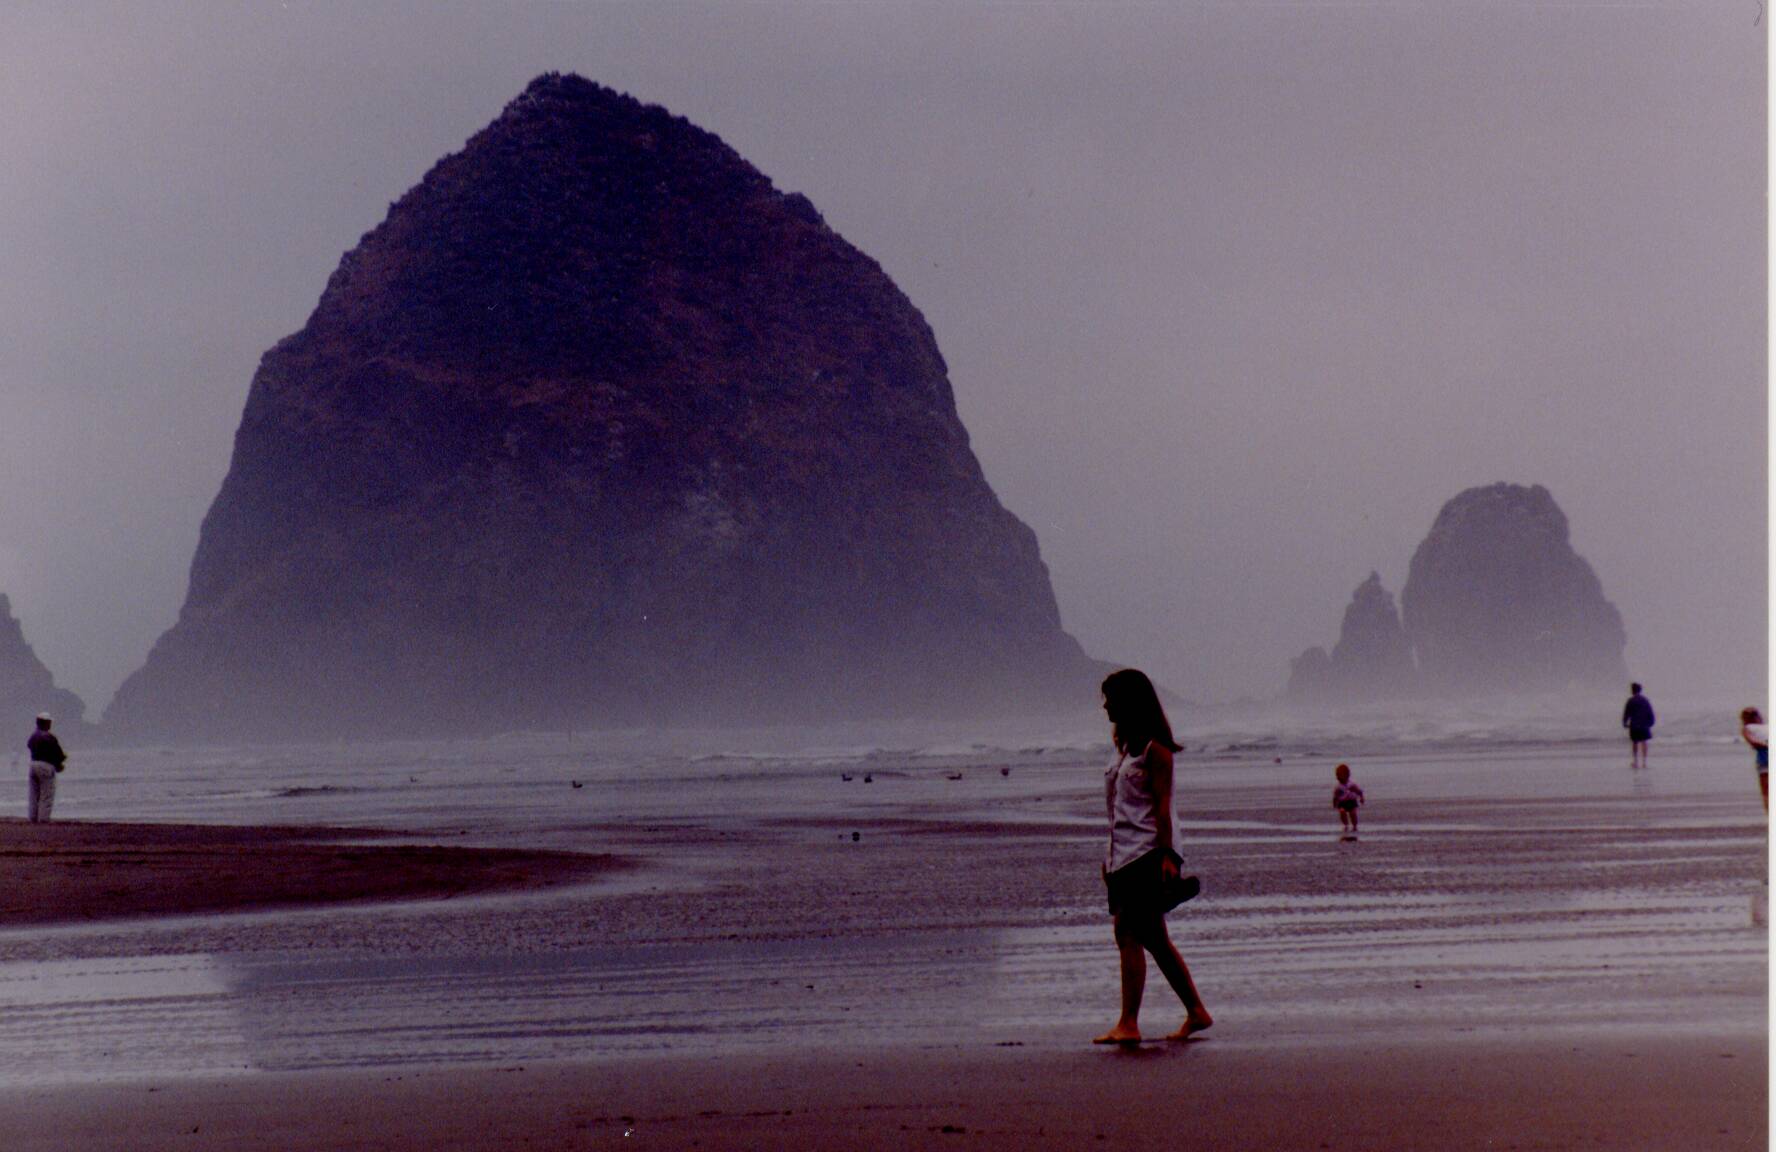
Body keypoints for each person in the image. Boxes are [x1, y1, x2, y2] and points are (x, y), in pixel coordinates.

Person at [1093, 668, 1212, 1046]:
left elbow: (1163, 807)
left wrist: (1169, 857)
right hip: (1123, 855)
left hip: (1147, 853)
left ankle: (1129, 1022)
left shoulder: (1154, 751)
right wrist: (1110, 858)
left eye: (1111, 698)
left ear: (1130, 702)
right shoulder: (1123, 749)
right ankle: (1195, 1011)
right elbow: (1118, 811)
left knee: (1130, 932)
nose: (1105, 705)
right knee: (1150, 937)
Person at [25, 712, 67, 823]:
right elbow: (59, 755)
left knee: (34, 794)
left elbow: (29, 746)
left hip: (33, 764)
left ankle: (33, 817)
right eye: (49, 722)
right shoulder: (49, 737)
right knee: (46, 794)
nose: (50, 724)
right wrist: (59, 764)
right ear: (46, 723)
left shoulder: (33, 736)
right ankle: (43, 819)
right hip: (46, 766)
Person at [1739, 707, 1767, 812]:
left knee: (1766, 792)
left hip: (1765, 759)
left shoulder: (1747, 728)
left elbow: (1753, 742)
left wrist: (1766, 745)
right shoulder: (1768, 727)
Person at [1622, 683, 1655, 769]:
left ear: (1632, 690)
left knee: (1635, 742)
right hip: (1644, 724)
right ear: (1640, 690)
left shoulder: (1631, 701)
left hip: (1634, 725)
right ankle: (1644, 762)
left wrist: (1624, 722)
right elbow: (1650, 712)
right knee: (1644, 742)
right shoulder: (1645, 700)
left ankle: (1636, 761)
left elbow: (1627, 713)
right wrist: (1651, 722)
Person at [1333, 763, 1365, 838]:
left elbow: (1359, 791)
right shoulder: (1338, 787)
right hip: (1342, 802)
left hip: (1351, 801)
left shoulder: (1352, 785)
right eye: (1338, 776)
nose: (1339, 778)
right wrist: (1335, 803)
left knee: (1353, 813)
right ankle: (1346, 824)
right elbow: (1335, 796)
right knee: (1342, 811)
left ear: (1347, 775)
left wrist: (1361, 798)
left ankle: (1355, 825)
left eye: (1341, 776)